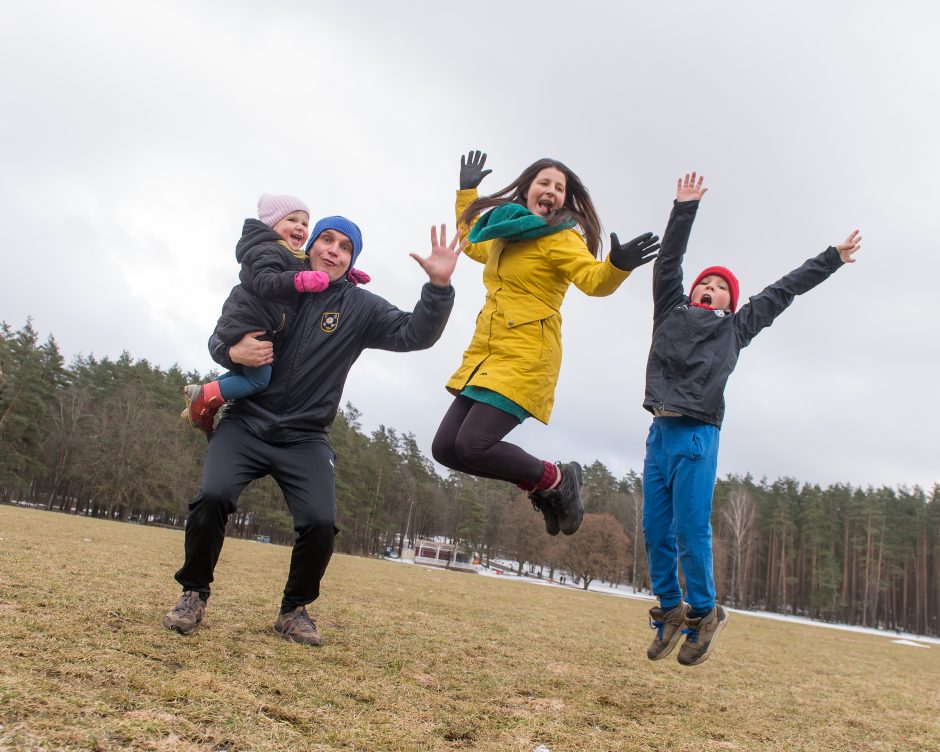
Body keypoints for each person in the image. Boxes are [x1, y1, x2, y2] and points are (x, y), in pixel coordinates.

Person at [163, 217, 463, 645]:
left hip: (305, 436)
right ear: (312, 245)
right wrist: (230, 350)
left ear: (351, 259)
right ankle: (193, 594)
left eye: (344, 247)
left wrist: (438, 288)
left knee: (321, 522)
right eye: (326, 240)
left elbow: (415, 333)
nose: (333, 251)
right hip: (245, 422)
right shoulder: (274, 283)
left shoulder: (359, 308)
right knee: (213, 497)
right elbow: (220, 334)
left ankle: (293, 611)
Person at [642, 172, 861, 666]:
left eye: (720, 288)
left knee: (690, 531)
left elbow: (784, 290)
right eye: (705, 283)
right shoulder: (668, 311)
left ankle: (704, 612)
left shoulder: (736, 329)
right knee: (655, 531)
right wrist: (684, 207)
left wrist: (832, 258)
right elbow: (669, 261)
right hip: (659, 433)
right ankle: (670, 610)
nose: (710, 288)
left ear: (730, 303)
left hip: (698, 434)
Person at [432, 150, 660, 536]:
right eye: (544, 183)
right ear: (527, 190)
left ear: (564, 201)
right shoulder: (503, 234)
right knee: (445, 449)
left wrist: (618, 265)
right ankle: (547, 486)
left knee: (472, 445)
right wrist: (466, 192)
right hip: (485, 354)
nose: (551, 191)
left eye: (559, 187)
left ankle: (556, 478)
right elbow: (471, 243)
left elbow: (594, 280)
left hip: (526, 358)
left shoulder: (561, 238)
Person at [181, 194, 371, 433]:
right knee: (258, 380)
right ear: (272, 224)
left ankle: (201, 404)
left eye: (304, 223)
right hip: (249, 322)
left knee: (247, 371)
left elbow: (308, 265)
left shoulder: (287, 254)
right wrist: (301, 281)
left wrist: (347, 275)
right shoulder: (267, 250)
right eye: (292, 220)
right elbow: (264, 280)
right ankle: (206, 396)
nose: (300, 227)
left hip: (258, 323)